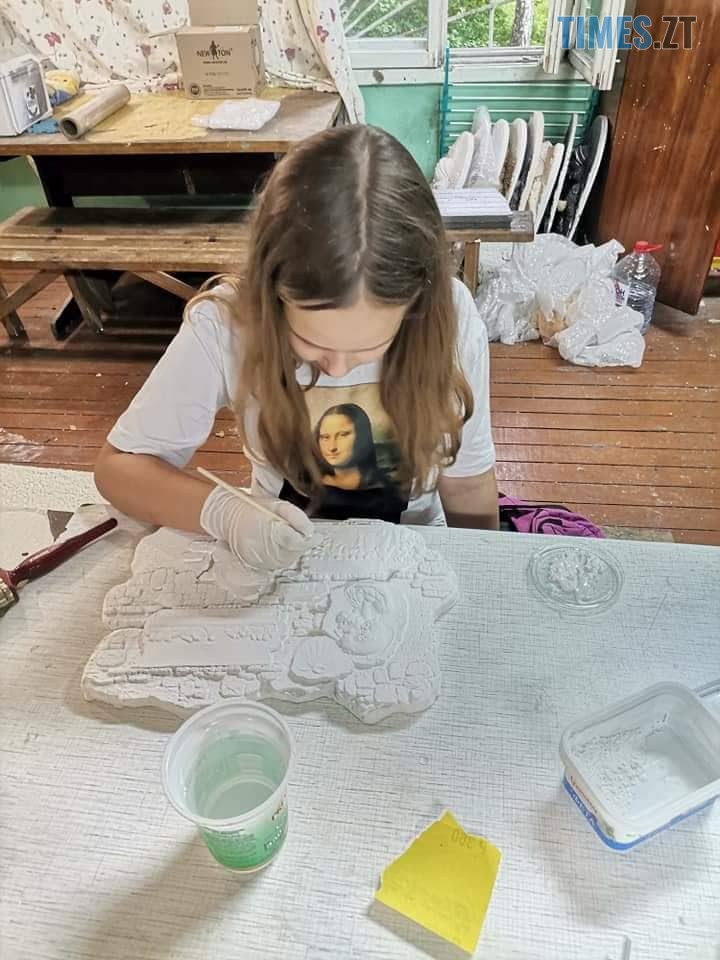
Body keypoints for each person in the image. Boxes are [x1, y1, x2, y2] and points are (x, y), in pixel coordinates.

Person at [95, 124, 499, 578]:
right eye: (312, 344)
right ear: (270, 295)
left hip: (415, 553)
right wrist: (224, 513)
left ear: (417, 305)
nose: (338, 368)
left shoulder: (450, 318)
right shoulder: (228, 324)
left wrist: (484, 574)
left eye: (369, 347)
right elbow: (118, 470)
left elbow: (468, 487)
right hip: (281, 551)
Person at [315, 403, 386, 491]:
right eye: (325, 437)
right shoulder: (311, 487)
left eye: (342, 435)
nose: (332, 447)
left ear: (362, 436)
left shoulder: (382, 489)